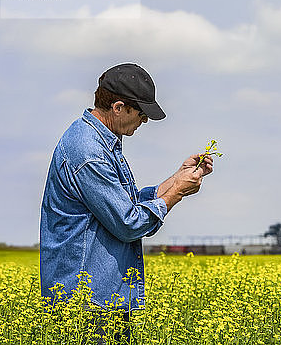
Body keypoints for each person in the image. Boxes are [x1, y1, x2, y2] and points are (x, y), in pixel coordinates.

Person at [39, 63, 213, 339]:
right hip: (86, 302)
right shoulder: (89, 152)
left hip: (100, 298)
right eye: (141, 113)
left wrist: (176, 179)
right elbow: (128, 223)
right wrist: (176, 192)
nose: (144, 121)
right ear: (119, 107)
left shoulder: (100, 141)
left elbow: (125, 205)